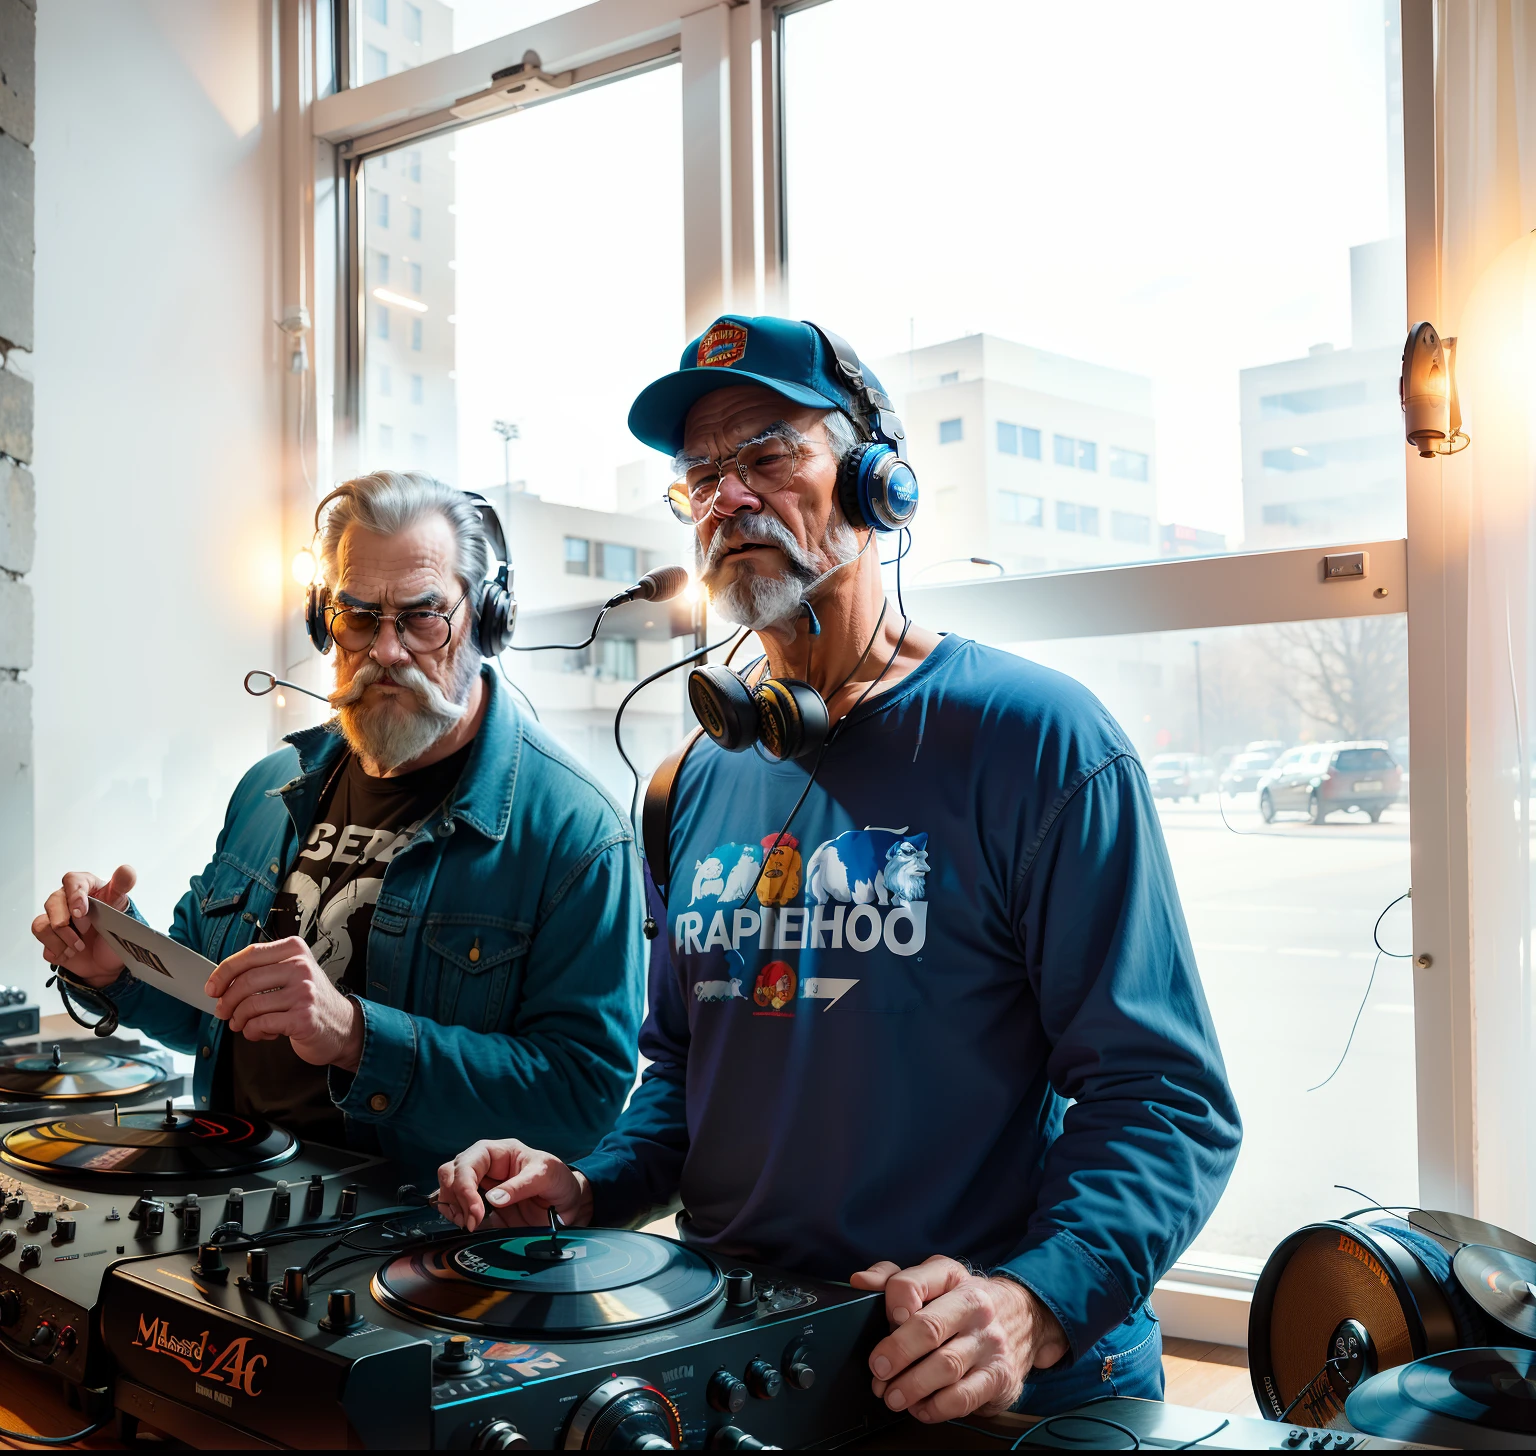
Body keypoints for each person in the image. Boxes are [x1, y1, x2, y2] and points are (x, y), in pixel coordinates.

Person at [435, 318, 1241, 1423]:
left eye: (768, 455)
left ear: (877, 483)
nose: (729, 497)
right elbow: (684, 1073)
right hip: (754, 1359)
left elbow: (1165, 1097)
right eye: (701, 476)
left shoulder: (1036, 739)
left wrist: (1032, 1302)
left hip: (987, 1379)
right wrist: (588, 1183)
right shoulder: (688, 782)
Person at [32, 471, 645, 1185]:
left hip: (422, 1234)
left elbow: (581, 1101)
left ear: (485, 619)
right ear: (325, 620)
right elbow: (207, 1012)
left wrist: (357, 1037)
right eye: (357, 615)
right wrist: (116, 965)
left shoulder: (577, 834)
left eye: (422, 616)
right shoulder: (268, 790)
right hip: (228, 1197)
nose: (386, 651)